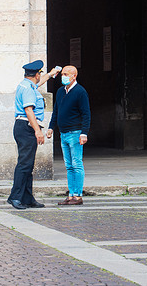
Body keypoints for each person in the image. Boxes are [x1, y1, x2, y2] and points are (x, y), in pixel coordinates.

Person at [7, 60, 61, 209]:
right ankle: (15, 197)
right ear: (36, 74)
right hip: (27, 127)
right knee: (24, 164)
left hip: (23, 126)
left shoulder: (26, 85)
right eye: (40, 74)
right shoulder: (29, 89)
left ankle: (27, 197)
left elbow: (38, 83)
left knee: (28, 164)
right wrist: (37, 130)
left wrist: (50, 74)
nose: (40, 77)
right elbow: (29, 110)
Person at [47, 65, 91, 205]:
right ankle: (71, 194)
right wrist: (51, 127)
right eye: (62, 74)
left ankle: (78, 195)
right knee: (69, 165)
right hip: (64, 133)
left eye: (66, 74)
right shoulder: (61, 91)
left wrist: (84, 133)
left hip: (75, 132)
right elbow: (56, 111)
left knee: (76, 164)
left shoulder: (80, 92)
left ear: (74, 76)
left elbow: (86, 113)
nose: (63, 76)